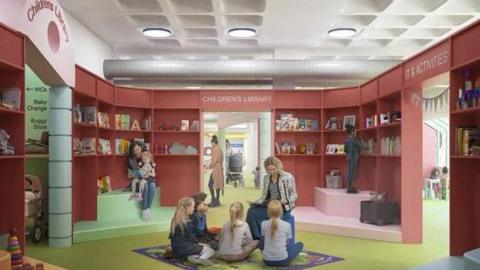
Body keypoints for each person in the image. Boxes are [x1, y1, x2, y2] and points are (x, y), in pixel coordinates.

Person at [246, 156, 298, 241]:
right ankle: (257, 238)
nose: (271, 172)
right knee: (251, 211)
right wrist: (256, 202)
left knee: (263, 213)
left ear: (278, 167)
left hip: (283, 207)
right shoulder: (266, 178)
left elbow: (294, 195)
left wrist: (285, 201)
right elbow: (264, 195)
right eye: (269, 170)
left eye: (274, 169)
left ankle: (263, 239)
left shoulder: (288, 177)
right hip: (270, 205)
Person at [169, 197, 215, 266]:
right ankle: (200, 259)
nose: (194, 209)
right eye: (192, 207)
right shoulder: (187, 222)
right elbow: (192, 239)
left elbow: (173, 237)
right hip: (185, 248)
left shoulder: (175, 219)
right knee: (211, 250)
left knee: (197, 248)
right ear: (187, 207)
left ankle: (191, 257)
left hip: (175, 250)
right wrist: (201, 244)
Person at [261, 200, 304, 267]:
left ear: (268, 212)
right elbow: (287, 243)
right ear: (281, 212)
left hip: (266, 260)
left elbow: (262, 242)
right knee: (300, 244)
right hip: (282, 261)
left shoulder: (263, 223)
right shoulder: (287, 225)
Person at [127, 141, 156, 220]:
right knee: (145, 186)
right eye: (134, 150)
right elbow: (129, 175)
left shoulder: (146, 155)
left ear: (141, 148)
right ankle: (144, 210)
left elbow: (152, 169)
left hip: (149, 178)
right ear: (132, 152)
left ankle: (148, 209)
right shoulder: (131, 160)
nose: (137, 152)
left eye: (138, 149)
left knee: (152, 186)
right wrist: (133, 174)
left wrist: (149, 173)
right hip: (138, 180)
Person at [344, 124, 362, 194]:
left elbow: (345, 150)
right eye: (355, 132)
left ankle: (349, 187)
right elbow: (360, 148)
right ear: (352, 132)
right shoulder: (354, 140)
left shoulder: (346, 140)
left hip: (348, 157)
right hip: (354, 157)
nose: (355, 133)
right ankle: (351, 188)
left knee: (349, 172)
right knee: (353, 172)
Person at [208, 135, 224, 207]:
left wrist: (210, 166)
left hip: (216, 168)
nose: (211, 144)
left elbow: (215, 159)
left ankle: (215, 200)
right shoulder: (218, 148)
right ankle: (216, 200)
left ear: (214, 142)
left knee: (211, 184)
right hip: (218, 168)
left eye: (211, 143)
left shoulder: (216, 149)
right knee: (217, 184)